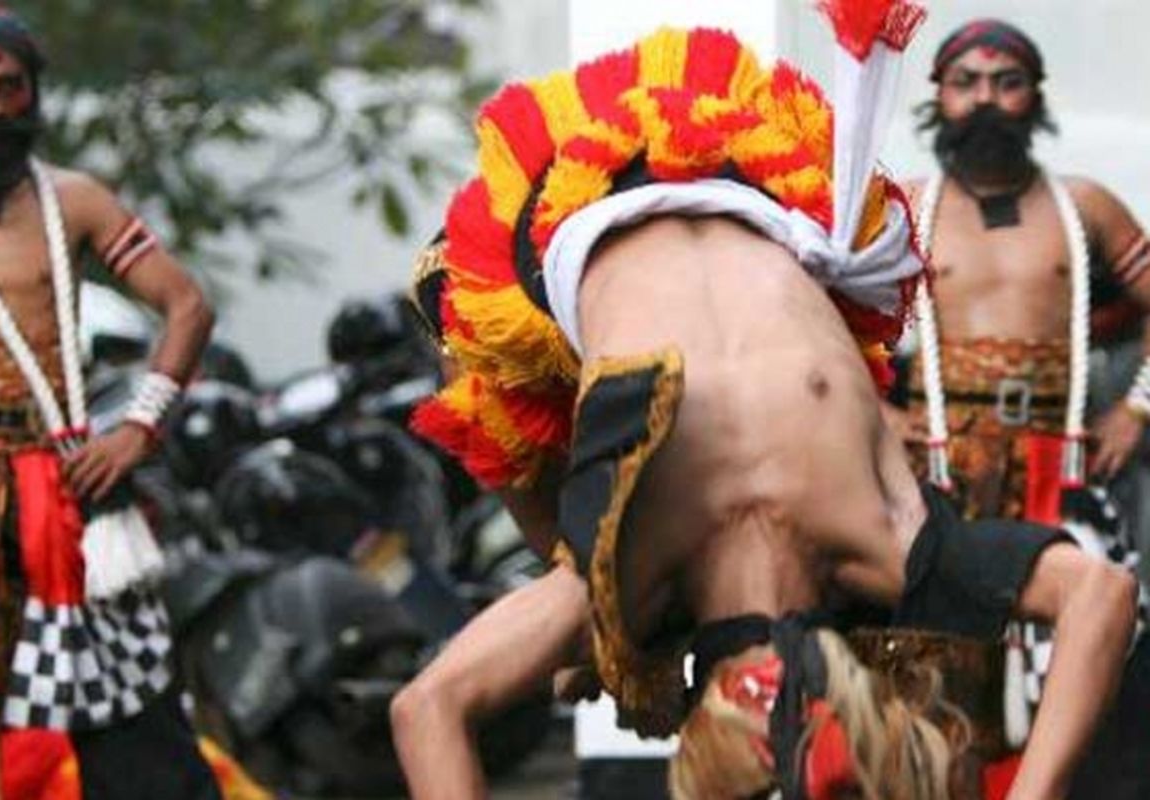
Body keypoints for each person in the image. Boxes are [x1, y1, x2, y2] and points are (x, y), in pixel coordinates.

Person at [391, 8, 1137, 800]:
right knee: (536, 484)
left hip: (730, 180)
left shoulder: (868, 541)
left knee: (526, 461)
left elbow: (1101, 595)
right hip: (691, 184)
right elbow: (426, 708)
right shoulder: (635, 576)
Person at [0, 6, 230, 798]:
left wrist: (138, 428)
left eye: (12, 85)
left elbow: (186, 305)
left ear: (34, 94)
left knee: (127, 707)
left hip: (59, 493)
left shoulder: (73, 201)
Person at [894, 18, 1150, 797]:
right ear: (939, 96)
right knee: (931, 665)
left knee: (1086, 646)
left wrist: (1136, 410)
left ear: (1034, 96)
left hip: (1059, 470)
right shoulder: (907, 208)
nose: (986, 100)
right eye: (966, 83)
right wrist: (876, 419)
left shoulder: (1085, 208)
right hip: (936, 470)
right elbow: (834, 326)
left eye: (1006, 82)